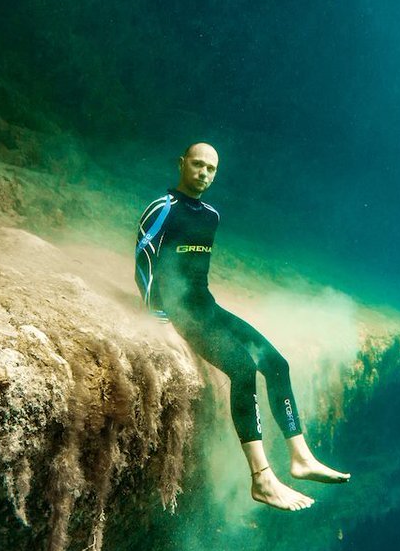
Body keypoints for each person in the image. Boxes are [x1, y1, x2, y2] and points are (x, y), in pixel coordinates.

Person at [135, 142, 350, 511]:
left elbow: (196, 276)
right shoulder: (163, 208)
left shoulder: (211, 216)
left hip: (207, 307)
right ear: (182, 164)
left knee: (277, 363)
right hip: (181, 312)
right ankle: (261, 477)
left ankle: (300, 457)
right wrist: (157, 314)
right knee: (243, 368)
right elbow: (143, 258)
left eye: (211, 169)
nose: (203, 173)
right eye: (197, 165)